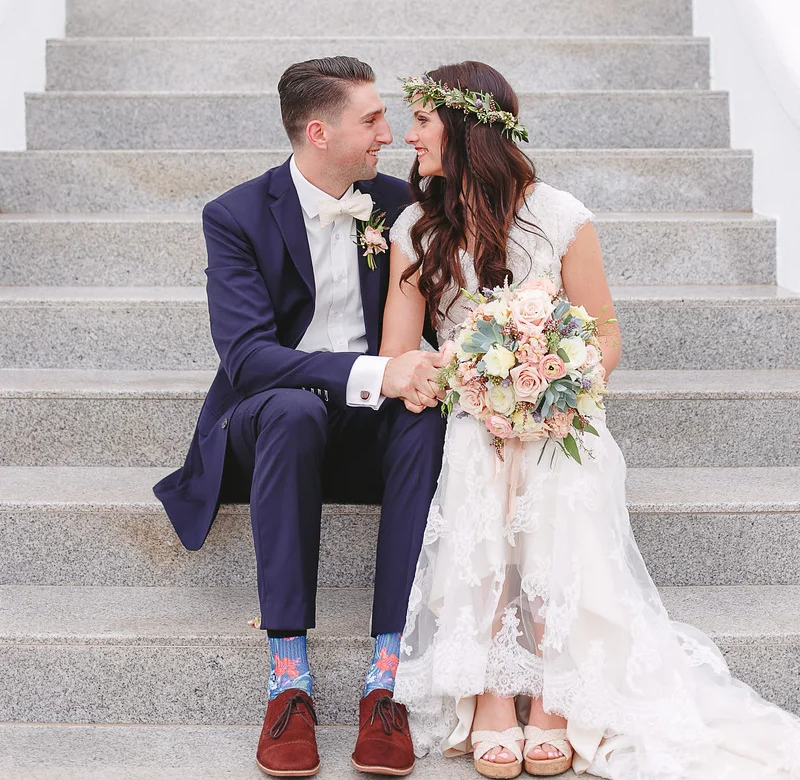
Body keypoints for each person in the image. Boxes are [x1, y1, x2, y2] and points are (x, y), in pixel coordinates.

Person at [379, 60, 800, 780]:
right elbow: (398, 353)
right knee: (477, 447)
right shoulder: (417, 228)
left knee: (552, 462)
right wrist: (476, 385)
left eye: (421, 120)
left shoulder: (561, 217)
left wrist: (552, 389)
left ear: (467, 127)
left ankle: (553, 692)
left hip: (556, 413)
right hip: (471, 409)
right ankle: (491, 691)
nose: (408, 135)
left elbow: (605, 337)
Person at [154, 56, 446, 778]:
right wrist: (375, 372)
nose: (390, 135)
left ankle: (387, 681)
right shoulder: (235, 216)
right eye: (371, 120)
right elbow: (248, 359)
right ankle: (288, 682)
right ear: (319, 132)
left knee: (423, 416)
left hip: (369, 425)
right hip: (275, 425)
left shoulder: (399, 203)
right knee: (290, 410)